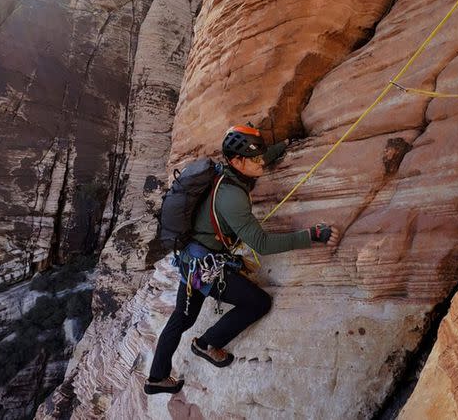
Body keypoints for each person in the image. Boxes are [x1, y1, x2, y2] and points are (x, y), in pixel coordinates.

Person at [144, 125, 340, 394]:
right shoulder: (232, 196)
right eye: (255, 158)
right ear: (237, 161)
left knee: (182, 318)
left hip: (192, 260)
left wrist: (283, 144)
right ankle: (207, 344)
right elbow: (262, 244)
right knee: (258, 302)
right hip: (206, 268)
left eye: (261, 156)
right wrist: (312, 235)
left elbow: (261, 158)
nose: (262, 162)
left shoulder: (227, 173)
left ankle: (156, 378)